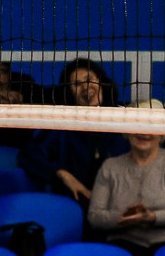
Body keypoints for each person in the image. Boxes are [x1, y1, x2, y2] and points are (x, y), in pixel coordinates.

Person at [87, 106, 165, 256]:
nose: (144, 132)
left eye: (152, 125)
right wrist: (122, 218)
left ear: (162, 132)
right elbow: (94, 216)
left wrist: (152, 217)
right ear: (125, 132)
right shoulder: (110, 166)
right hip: (126, 242)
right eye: (137, 124)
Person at [23, 58, 127, 203]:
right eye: (77, 84)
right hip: (76, 202)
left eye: (89, 79)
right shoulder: (63, 126)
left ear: (101, 81)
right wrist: (62, 174)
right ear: (70, 92)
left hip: (121, 201)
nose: (86, 87)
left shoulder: (126, 117)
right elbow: (30, 155)